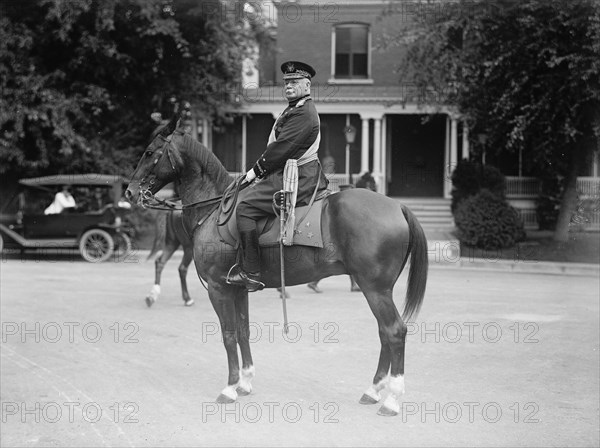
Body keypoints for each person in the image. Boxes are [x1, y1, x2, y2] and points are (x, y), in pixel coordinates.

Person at [227, 60, 329, 292]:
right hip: (288, 171)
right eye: (286, 82)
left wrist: (255, 172)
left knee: (245, 208)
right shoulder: (294, 108)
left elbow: (282, 148)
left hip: (298, 176)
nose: (289, 86)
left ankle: (251, 271)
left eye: (295, 82)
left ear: (307, 86)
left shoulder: (304, 113)